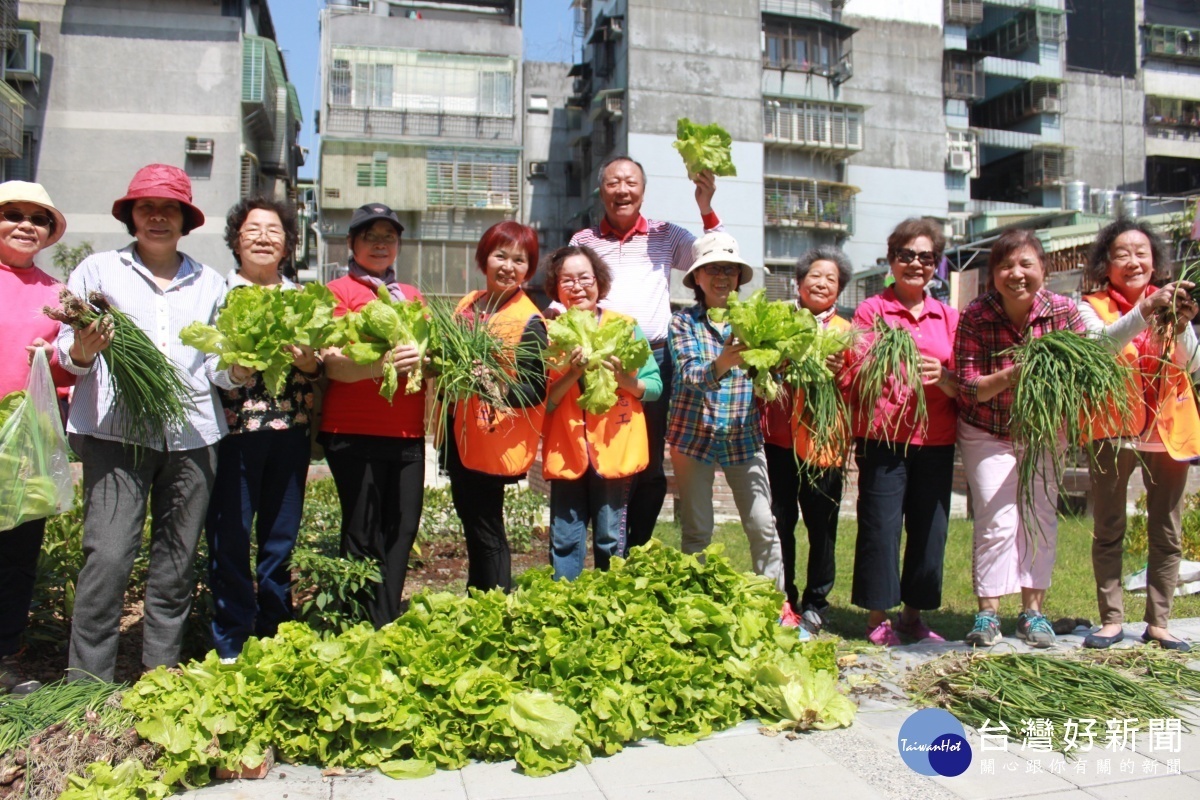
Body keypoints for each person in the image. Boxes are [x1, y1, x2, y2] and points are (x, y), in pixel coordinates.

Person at [56, 164, 249, 682]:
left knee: (175, 563)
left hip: (192, 437)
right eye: (147, 208)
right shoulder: (97, 272)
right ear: (132, 216)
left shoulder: (210, 283)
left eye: (170, 209)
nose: (158, 217)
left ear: (186, 219)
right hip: (115, 435)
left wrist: (238, 368)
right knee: (109, 559)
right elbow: (66, 353)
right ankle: (86, 687)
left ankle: (158, 678)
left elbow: (215, 365)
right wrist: (82, 348)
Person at [570, 156, 720, 550]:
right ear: (601, 190)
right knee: (602, 454)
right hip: (597, 358)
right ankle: (604, 544)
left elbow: (711, 257)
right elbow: (568, 287)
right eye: (613, 182)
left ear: (643, 189)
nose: (622, 190)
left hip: (653, 359)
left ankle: (636, 546)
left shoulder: (665, 233)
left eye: (630, 182)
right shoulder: (583, 241)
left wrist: (705, 207)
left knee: (648, 462)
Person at [955, 229, 1085, 649]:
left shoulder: (1064, 311)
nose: (1016, 274)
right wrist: (1015, 372)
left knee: (1039, 518)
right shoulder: (976, 314)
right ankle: (988, 615)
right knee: (996, 520)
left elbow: (1082, 372)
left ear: (1043, 269)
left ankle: (1034, 614)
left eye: (1026, 264)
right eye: (1006, 266)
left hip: (1044, 431)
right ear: (993, 274)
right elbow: (970, 386)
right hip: (987, 428)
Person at [204, 197, 319, 660]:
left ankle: (273, 632)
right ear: (236, 240)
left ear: (289, 245)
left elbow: (317, 369)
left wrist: (309, 360)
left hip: (291, 431)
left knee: (280, 539)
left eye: (274, 231)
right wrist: (235, 369)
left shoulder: (302, 298)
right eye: (253, 230)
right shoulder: (217, 293)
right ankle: (231, 638)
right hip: (234, 434)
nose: (264, 238)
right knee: (229, 538)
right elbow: (208, 366)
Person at [1080, 219, 1199, 653]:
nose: (1133, 261)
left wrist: (1182, 325)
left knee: (1166, 529)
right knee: (1109, 524)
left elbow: (1195, 366)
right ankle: (1111, 620)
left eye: (1142, 253)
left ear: (1155, 263)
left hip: (1168, 428)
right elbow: (1101, 347)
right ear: (1106, 265)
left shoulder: (1174, 305)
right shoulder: (1089, 306)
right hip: (1113, 428)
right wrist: (1145, 312)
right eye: (1122, 254)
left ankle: (1159, 622)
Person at [844, 217, 958, 647]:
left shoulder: (947, 316)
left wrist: (943, 375)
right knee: (881, 525)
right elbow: (856, 365)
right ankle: (878, 616)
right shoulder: (872, 311)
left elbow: (960, 379)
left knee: (931, 529)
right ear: (891, 261)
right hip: (884, 437)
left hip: (936, 437)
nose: (915, 264)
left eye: (925, 257)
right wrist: (886, 363)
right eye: (905, 255)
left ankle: (913, 616)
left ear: (936, 265)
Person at [320, 203, 425, 629]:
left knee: (402, 529)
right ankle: (359, 624)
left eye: (389, 237)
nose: (381, 244)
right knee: (362, 531)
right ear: (352, 243)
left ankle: (385, 619)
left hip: (406, 431)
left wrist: (426, 355)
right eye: (370, 236)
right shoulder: (337, 292)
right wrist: (378, 366)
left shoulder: (412, 296)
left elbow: (430, 358)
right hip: (352, 429)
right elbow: (332, 363)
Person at [667, 232, 784, 588]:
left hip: (743, 438)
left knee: (763, 524)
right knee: (698, 531)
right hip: (693, 438)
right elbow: (689, 375)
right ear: (697, 278)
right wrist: (723, 362)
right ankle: (696, 605)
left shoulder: (754, 321)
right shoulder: (682, 323)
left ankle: (774, 607)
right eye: (713, 269)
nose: (722, 277)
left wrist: (779, 365)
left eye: (730, 270)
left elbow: (772, 373)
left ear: (738, 278)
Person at [541, 245, 662, 580]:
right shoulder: (549, 333)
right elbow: (546, 403)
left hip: (614, 448)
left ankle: (609, 607)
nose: (577, 286)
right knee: (565, 538)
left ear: (599, 281)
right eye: (568, 280)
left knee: (611, 539)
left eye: (585, 278)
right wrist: (573, 373)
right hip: (568, 450)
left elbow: (654, 387)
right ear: (556, 286)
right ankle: (564, 608)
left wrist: (625, 380)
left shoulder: (625, 327)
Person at [444, 221, 547, 592]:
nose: (508, 266)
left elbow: (535, 388)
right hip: (460, 433)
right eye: (500, 255)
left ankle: (496, 606)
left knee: (487, 528)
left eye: (519, 260)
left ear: (529, 269)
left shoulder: (529, 319)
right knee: (472, 522)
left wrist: (492, 385)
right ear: (483, 259)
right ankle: (480, 599)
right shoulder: (468, 303)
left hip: (495, 436)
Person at [0, 181, 72, 694]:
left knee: (17, 554)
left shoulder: (58, 295)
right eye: (13, 214)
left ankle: (5, 661)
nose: (26, 224)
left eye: (38, 218)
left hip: (28, 443)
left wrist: (50, 359)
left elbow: (72, 369)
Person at [761, 246, 853, 634]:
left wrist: (838, 373)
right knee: (781, 523)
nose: (822, 283)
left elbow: (855, 387)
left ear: (839, 290)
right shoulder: (779, 322)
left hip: (824, 444)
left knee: (822, 527)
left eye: (831, 279)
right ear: (799, 283)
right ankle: (786, 597)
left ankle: (817, 602)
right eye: (815, 275)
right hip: (779, 440)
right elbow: (759, 372)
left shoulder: (846, 332)